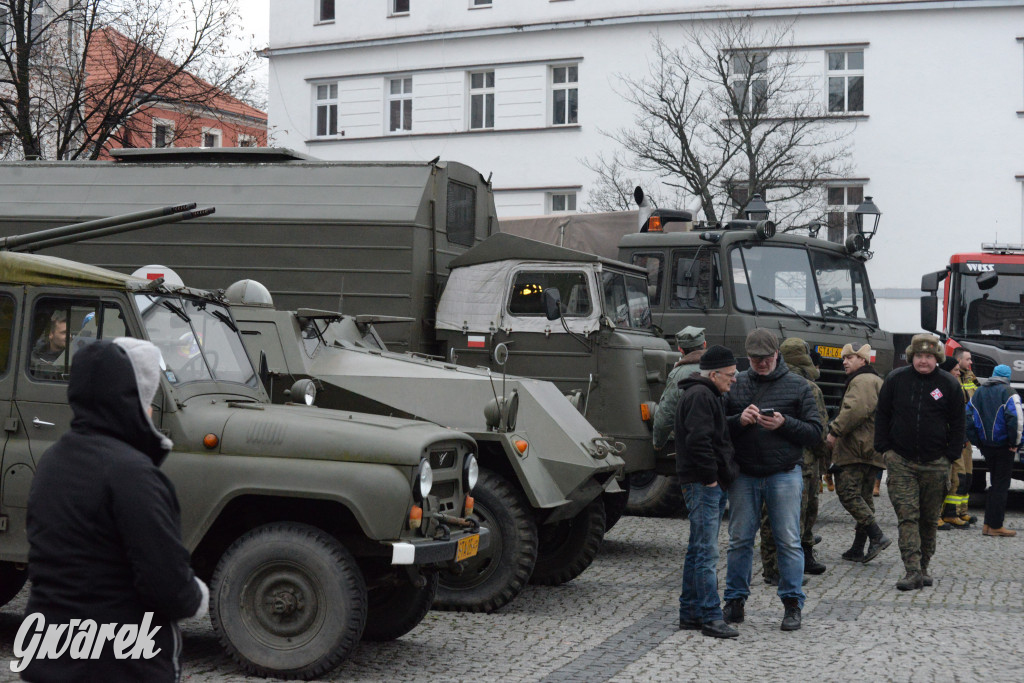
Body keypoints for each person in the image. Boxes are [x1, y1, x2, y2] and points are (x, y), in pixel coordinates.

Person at [23, 338, 207, 682]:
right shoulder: (132, 473)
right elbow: (169, 588)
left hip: (50, 659)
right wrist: (198, 595)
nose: (151, 409)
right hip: (117, 664)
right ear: (129, 400)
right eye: (147, 398)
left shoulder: (52, 461)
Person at [722, 329, 822, 632]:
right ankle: (735, 601)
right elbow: (719, 428)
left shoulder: (798, 386)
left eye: (765, 358)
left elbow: (816, 433)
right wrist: (738, 420)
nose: (761, 363)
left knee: (789, 541)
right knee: (739, 541)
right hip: (745, 475)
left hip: (784, 473)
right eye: (755, 359)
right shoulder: (735, 384)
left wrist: (784, 423)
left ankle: (793, 604)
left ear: (776, 354)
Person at [874, 334, 964, 591]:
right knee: (907, 516)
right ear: (911, 357)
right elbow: (882, 414)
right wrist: (885, 448)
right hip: (901, 461)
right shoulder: (896, 379)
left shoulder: (948, 384)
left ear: (937, 358)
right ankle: (911, 570)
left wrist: (951, 455)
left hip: (936, 462)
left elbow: (959, 422)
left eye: (929, 357)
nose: (923, 361)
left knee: (928, 519)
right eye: (919, 356)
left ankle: (923, 566)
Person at [676, 345, 740, 639]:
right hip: (703, 485)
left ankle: (690, 613)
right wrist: (711, 479)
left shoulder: (704, 393)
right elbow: (698, 441)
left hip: (703, 482)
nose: (734, 379)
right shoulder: (702, 395)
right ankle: (711, 617)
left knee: (697, 550)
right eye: (729, 374)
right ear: (713, 374)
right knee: (706, 553)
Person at [759, 338, 829, 582]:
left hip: (776, 459)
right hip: (805, 462)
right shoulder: (810, 388)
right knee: (800, 517)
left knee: (775, 516)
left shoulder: (771, 383)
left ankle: (780, 564)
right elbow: (820, 430)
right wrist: (823, 459)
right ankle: (781, 569)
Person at [826, 342, 890, 563]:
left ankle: (877, 535)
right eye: (844, 358)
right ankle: (859, 547)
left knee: (848, 493)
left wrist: (834, 431)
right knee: (864, 497)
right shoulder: (874, 380)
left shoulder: (862, 380)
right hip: (870, 448)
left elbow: (855, 410)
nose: (844, 362)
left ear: (863, 360)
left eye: (850, 358)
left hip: (856, 448)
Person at [965, 364, 1021, 537]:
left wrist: (978, 442)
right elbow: (1016, 419)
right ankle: (996, 525)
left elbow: (967, 417)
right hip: (1004, 446)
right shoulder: (1009, 392)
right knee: (1000, 486)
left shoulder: (980, 392)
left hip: (986, 446)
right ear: (1008, 377)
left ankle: (987, 525)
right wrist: (1015, 443)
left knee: (994, 483)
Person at [653, 326, 707, 451]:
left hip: (694, 445)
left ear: (680, 349)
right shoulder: (726, 368)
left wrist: (658, 442)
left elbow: (666, 414)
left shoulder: (678, 374)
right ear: (704, 344)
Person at [936, 358, 970, 530]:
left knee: (957, 479)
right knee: (941, 481)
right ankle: (935, 516)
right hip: (942, 441)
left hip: (955, 440)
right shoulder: (938, 388)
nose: (958, 372)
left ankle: (950, 513)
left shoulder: (955, 387)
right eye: (956, 370)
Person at [954, 347, 978, 525]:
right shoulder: (951, 378)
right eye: (968, 359)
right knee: (957, 476)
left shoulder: (970, 378)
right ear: (958, 360)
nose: (971, 363)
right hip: (956, 434)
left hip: (967, 434)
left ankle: (962, 511)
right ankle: (951, 512)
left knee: (968, 476)